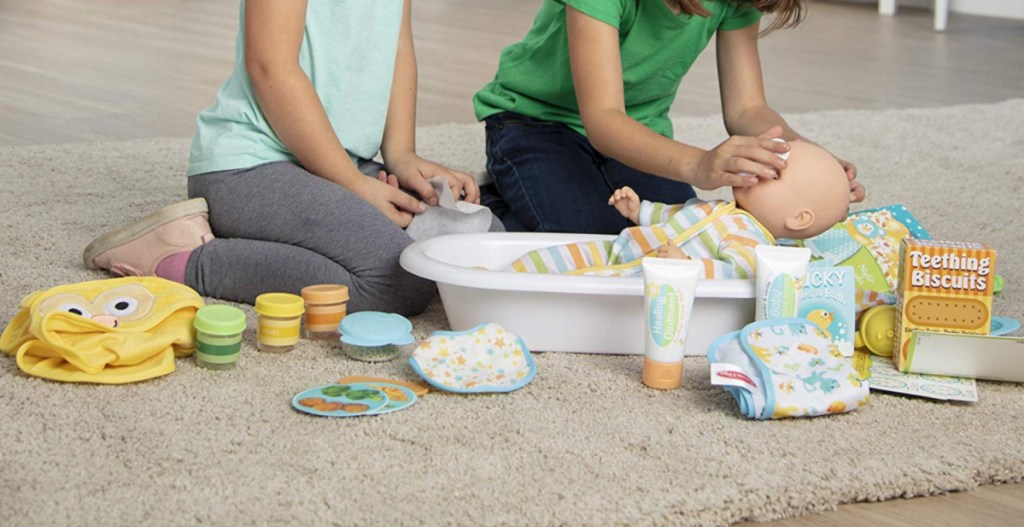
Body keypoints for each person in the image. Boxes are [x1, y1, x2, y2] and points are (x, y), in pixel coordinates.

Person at [82, 0, 478, 316]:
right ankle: (179, 258)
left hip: (339, 164)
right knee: (397, 281)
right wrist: (355, 185)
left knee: (458, 245)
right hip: (247, 168)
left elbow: (398, 45)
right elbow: (270, 67)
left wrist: (401, 153)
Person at [473, 0, 865, 234]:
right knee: (595, 237)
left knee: (683, 232)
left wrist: (813, 160)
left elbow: (747, 108)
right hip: (533, 122)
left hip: (641, 132)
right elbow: (604, 119)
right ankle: (494, 201)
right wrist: (699, 164)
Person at [509, 140, 850, 278]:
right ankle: (510, 272)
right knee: (565, 253)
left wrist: (688, 267)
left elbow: (735, 276)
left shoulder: (753, 242)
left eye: (773, 173)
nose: (755, 171)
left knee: (581, 284)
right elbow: (677, 213)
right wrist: (640, 210)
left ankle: (516, 289)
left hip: (645, 276)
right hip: (625, 247)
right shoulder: (723, 207)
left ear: (799, 218)